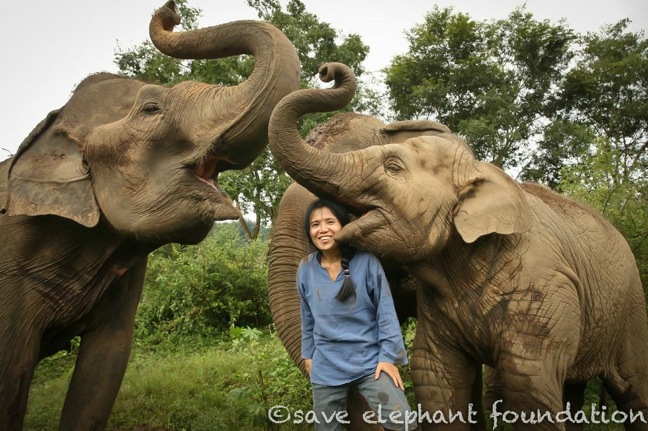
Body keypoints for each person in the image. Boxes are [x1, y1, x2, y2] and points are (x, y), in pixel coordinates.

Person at [297, 198, 417, 431]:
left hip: (370, 363)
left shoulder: (366, 263)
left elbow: (386, 311)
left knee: (404, 423)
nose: (323, 229)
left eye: (330, 222)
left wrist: (387, 357)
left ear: (343, 226)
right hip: (327, 365)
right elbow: (307, 315)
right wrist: (308, 355)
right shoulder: (305, 268)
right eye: (315, 224)